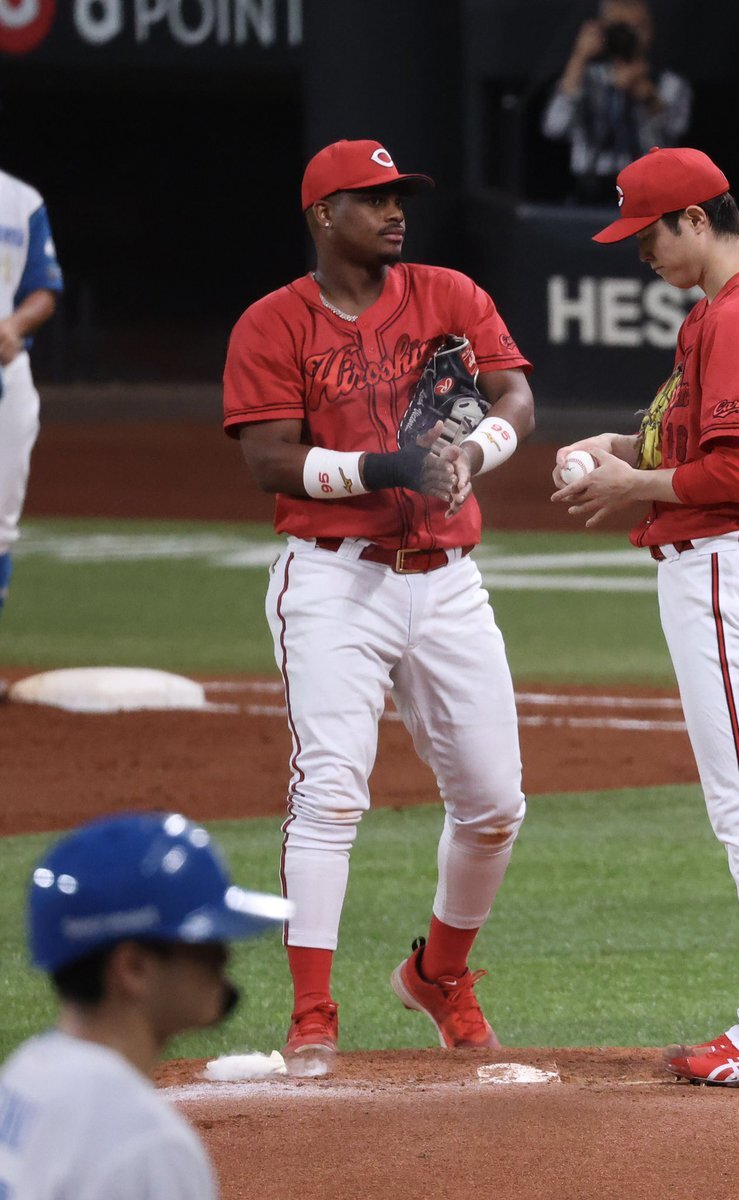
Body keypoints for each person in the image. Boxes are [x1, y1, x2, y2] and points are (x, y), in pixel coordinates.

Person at [222, 138, 535, 1060]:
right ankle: (312, 1012)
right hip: (333, 579)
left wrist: (472, 453)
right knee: (329, 794)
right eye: (374, 198)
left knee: (495, 805)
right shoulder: (272, 324)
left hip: (448, 581)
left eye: (400, 197)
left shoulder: (450, 295)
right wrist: (387, 466)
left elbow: (515, 397)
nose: (396, 211)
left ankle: (437, 975)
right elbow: (268, 459)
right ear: (324, 215)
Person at [552, 147, 739, 1090]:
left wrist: (632, 486)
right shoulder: (716, 314)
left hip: (726, 571)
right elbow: (696, 442)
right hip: (720, 570)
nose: (643, 254)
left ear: (698, 219)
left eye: (651, 234)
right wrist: (621, 449)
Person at [0, 811, 291, 1198]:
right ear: (133, 968)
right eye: (203, 942)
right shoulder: (145, 1146)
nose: (224, 959)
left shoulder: (26, 1074)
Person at [541, 0, 692, 203]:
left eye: (633, 27)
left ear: (648, 31)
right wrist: (579, 57)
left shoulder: (668, 83)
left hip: (647, 189)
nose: (625, 36)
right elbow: (554, 127)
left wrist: (647, 97)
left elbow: (676, 130)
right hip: (591, 190)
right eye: (617, 28)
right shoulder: (586, 79)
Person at [0, 165, 64, 616]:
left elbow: (43, 289)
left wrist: (16, 325)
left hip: (6, 373)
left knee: (0, 526)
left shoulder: (21, 201)